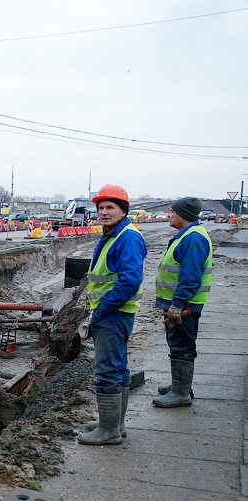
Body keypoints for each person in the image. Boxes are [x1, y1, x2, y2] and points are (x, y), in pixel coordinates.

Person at [79, 184, 147, 445]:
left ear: (122, 211)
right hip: (114, 312)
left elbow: (129, 281)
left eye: (111, 207)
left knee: (107, 368)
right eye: (101, 208)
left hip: (113, 313)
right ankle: (114, 423)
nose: (104, 212)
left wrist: (103, 309)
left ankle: (109, 431)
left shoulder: (127, 237)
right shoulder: (115, 234)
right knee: (118, 367)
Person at [153, 197, 212, 408]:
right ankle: (181, 385)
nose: (169, 215)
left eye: (171, 212)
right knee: (177, 342)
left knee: (182, 345)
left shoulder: (193, 239)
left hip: (185, 305)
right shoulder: (188, 235)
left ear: (183, 215)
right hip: (182, 303)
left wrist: (177, 304)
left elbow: (191, 277)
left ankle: (181, 392)